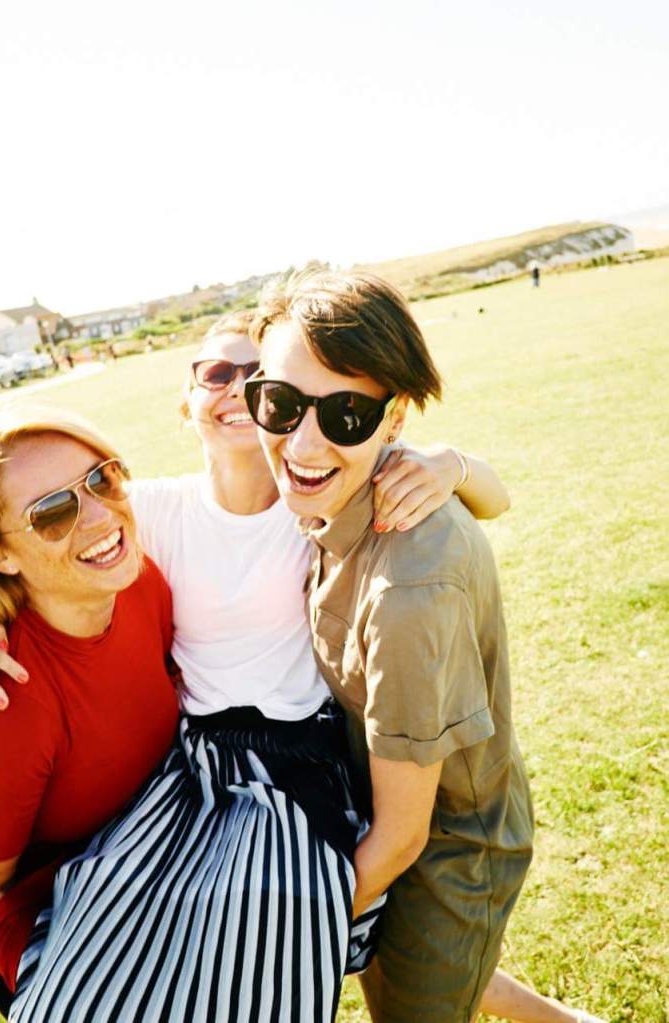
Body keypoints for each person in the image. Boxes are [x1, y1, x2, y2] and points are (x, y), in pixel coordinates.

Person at [0, 319, 605, 1023]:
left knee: (349, 936)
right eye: (214, 373)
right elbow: (41, 548)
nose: (235, 387)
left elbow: (491, 496)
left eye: (256, 377)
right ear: (185, 401)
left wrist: (451, 466)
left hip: (304, 756)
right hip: (198, 767)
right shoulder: (148, 514)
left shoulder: (315, 496)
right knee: (200, 944)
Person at [246, 269, 605, 1023]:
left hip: (445, 854)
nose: (302, 442)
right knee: (439, 972)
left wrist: (277, 942)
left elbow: (404, 838)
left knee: (416, 992)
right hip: (380, 811)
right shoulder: (344, 480)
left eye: (346, 413)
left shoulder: (407, 588)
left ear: (395, 417)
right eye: (278, 403)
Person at [0, 406, 179, 1018]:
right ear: (0, 554)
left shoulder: (140, 581)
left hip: (160, 853)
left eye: (101, 478)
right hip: (55, 918)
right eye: (51, 513)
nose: (99, 517)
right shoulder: (8, 696)